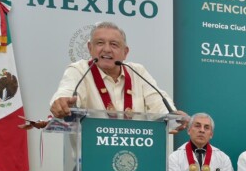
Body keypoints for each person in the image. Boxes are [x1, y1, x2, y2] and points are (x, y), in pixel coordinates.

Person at [50, 21, 187, 132]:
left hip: (136, 156)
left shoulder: (137, 71)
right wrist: (62, 102)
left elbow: (157, 101)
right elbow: (66, 92)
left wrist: (172, 116)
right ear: (90, 48)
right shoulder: (79, 70)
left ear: (125, 52)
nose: (107, 49)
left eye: (114, 44)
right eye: (100, 43)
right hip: (91, 160)